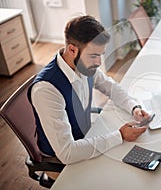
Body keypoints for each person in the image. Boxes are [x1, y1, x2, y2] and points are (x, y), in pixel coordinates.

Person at [28, 15, 150, 165]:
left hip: (87, 136)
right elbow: (67, 153)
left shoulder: (84, 65)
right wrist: (120, 136)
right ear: (72, 50)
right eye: (93, 56)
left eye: (100, 55)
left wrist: (134, 107)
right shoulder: (46, 90)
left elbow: (110, 87)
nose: (99, 63)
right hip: (62, 159)